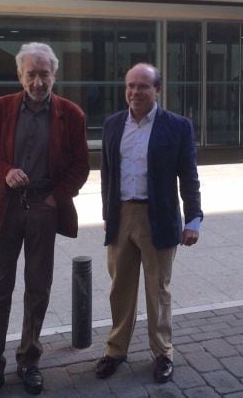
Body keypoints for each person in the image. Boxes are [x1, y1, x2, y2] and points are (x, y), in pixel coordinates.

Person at [0, 42, 90, 397]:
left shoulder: (71, 115)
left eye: (45, 74)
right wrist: (4, 172)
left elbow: (80, 166)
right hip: (4, 208)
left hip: (43, 209)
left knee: (38, 289)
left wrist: (56, 198)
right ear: (19, 75)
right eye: (31, 74)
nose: (38, 81)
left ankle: (29, 360)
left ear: (55, 75)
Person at [95, 63, 203, 384]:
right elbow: (106, 175)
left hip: (159, 217)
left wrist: (194, 218)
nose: (135, 92)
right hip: (121, 216)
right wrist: (107, 215)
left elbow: (189, 175)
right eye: (130, 86)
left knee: (158, 290)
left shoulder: (178, 126)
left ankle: (162, 352)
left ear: (157, 90)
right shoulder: (113, 125)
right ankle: (116, 350)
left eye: (143, 86)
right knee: (120, 289)